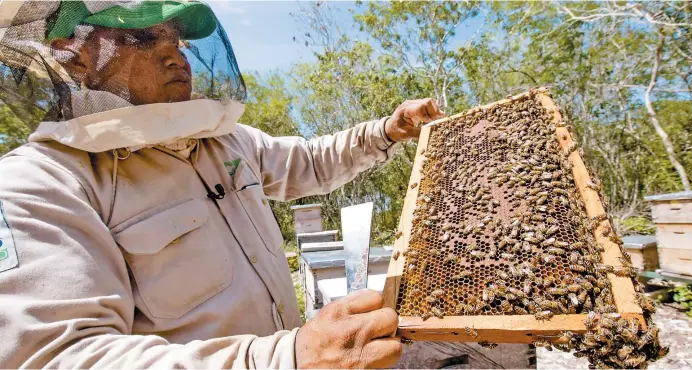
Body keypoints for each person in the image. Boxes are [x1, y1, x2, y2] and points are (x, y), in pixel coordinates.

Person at [0, 1, 444, 368]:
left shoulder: (225, 141)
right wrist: (289, 358)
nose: (176, 57)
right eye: (144, 39)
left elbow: (309, 161)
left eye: (177, 40)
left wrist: (387, 131)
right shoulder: (39, 184)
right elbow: (60, 356)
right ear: (75, 57)